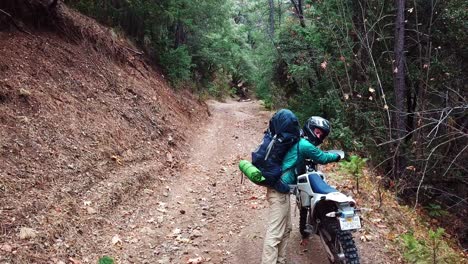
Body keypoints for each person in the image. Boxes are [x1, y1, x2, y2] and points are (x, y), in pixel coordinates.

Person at [261, 116, 341, 264]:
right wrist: (337, 156)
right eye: (317, 132)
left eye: (321, 135)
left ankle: (281, 260)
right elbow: (322, 157)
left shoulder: (298, 140)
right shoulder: (304, 144)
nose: (318, 136)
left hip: (281, 190)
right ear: (310, 129)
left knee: (286, 229)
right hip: (278, 191)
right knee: (275, 233)